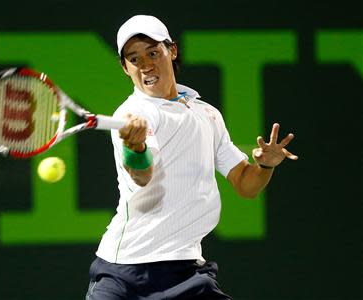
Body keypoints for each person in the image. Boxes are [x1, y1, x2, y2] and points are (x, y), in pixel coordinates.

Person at [86, 15, 298, 300]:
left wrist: (265, 165)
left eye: (153, 52)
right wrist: (136, 149)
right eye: (134, 59)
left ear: (171, 50)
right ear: (125, 68)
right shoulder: (133, 115)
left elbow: (246, 184)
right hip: (125, 273)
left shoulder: (207, 114)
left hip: (185, 271)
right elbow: (142, 176)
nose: (146, 65)